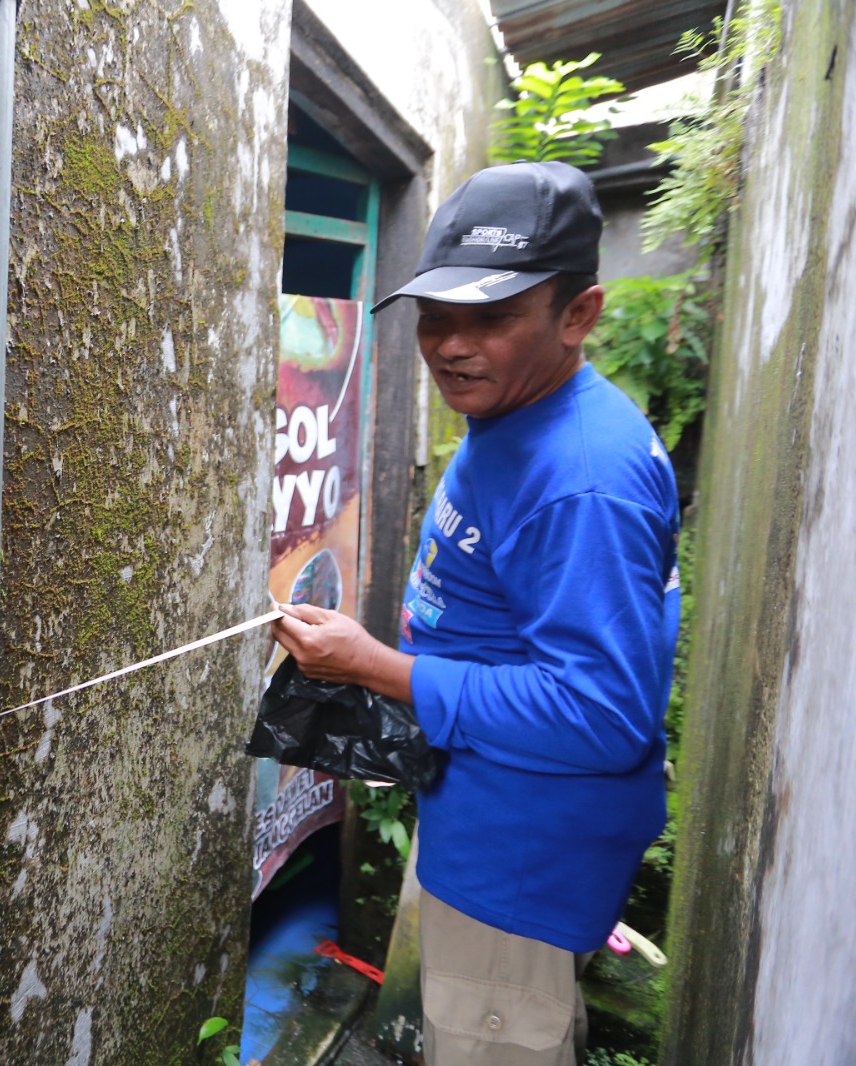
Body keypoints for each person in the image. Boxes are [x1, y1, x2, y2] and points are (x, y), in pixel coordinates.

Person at [271, 160, 680, 1066]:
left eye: (491, 318)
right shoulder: (519, 417)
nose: (452, 346)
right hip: (489, 814)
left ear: (578, 315)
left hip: (522, 858)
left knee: (496, 1037)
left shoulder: (581, 478)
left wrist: (373, 665)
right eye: (436, 317)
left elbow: (600, 717)